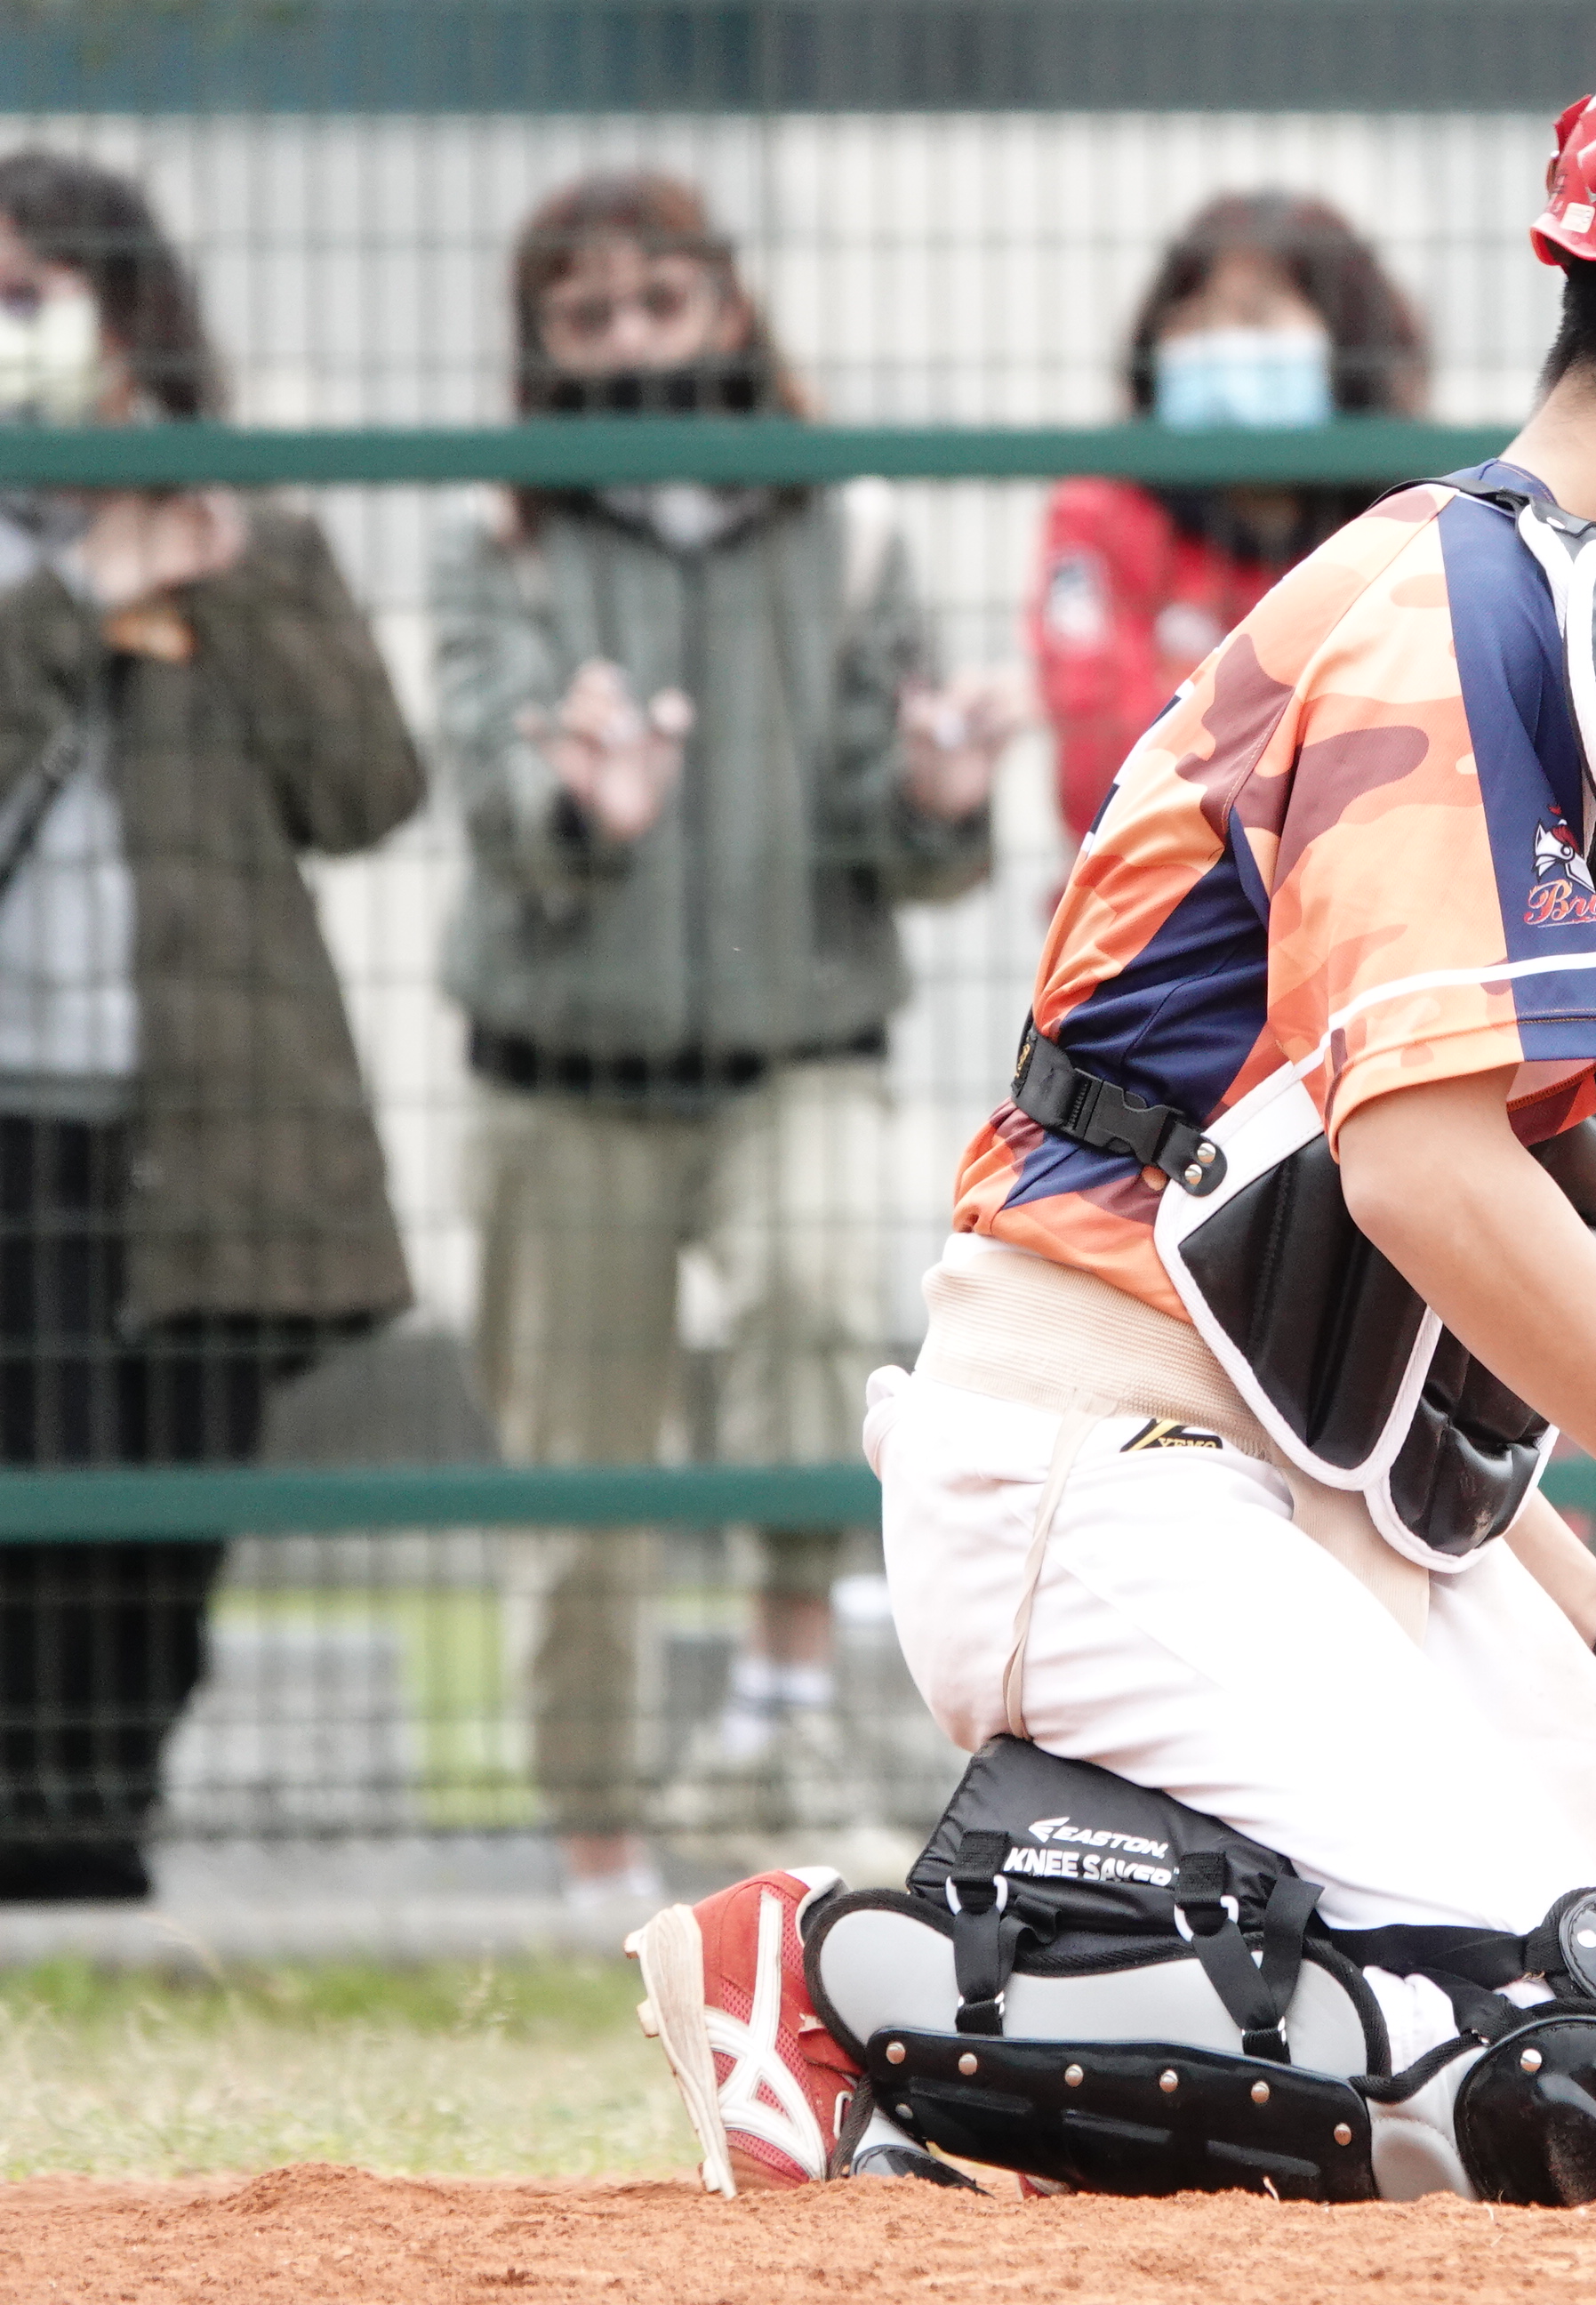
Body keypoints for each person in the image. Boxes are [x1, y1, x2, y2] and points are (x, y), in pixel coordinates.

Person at [625, 10, 1596, 2203]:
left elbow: (1362, 1289)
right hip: (1101, 1475)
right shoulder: (1453, 609)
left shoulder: (1587, 631)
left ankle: (1149, 1938)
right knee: (1578, 2075)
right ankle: (856, 1976)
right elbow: (1423, 1186)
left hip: (1313, 1485)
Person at [432, 171, 1015, 1910]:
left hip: (795, 1045)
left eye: (659, 301)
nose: (630, 340)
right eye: (587, 316)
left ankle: (780, 1695)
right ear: (542, 346)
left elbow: (900, 830)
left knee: (825, 1303)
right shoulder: (499, 532)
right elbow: (489, 782)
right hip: (560, 1070)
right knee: (580, 1478)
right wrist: (577, 806)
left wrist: (937, 799)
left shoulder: (848, 526)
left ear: (728, 308)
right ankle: (597, 1855)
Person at [0, 151, 422, 1900]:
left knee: (169, 1520)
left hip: (211, 1117)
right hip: (21, 1118)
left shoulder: (252, 529)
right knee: (40, 1502)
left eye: (29, 296)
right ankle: (42, 1859)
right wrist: (77, 598)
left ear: (124, 316)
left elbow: (368, 787)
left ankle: (98, 1842)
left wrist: (223, 572)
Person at [1031, 192, 1426, 838]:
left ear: (1346, 342)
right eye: (1192, 321)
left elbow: (1409, 786)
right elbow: (1100, 779)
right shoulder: (1097, 515)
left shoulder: (1414, 534)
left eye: (1256, 318)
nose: (1219, 347)